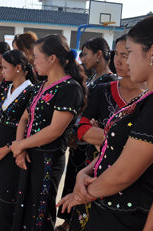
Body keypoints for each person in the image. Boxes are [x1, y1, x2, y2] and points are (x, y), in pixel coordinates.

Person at [57, 14, 153, 230]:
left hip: (123, 215)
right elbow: (116, 150)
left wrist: (83, 193)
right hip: (105, 203)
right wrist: (85, 173)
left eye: (130, 53)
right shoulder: (149, 97)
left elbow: (124, 173)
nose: (124, 62)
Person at [65, 35, 145, 231]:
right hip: (94, 167)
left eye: (125, 55)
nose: (117, 60)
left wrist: (102, 135)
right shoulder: (102, 90)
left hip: (133, 179)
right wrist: (123, 141)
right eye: (116, 53)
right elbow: (83, 129)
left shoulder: (151, 98)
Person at [10, 34, 86, 230]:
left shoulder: (70, 88)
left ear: (52, 58)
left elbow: (54, 130)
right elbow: (24, 118)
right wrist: (20, 149)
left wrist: (20, 145)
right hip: (27, 154)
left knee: (40, 210)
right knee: (24, 206)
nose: (32, 62)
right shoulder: (40, 86)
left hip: (47, 159)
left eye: (36, 57)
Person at [56, 37, 117, 231]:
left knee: (85, 182)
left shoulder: (110, 81)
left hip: (93, 142)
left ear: (99, 54)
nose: (82, 58)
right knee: (74, 178)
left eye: (85, 54)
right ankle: (69, 220)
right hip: (79, 138)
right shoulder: (92, 78)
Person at [0, 50, 35, 231]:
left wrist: (8, 148)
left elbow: (29, 127)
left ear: (19, 68)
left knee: (11, 192)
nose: (2, 71)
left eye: (5, 67)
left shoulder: (32, 91)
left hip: (14, 149)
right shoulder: (5, 89)